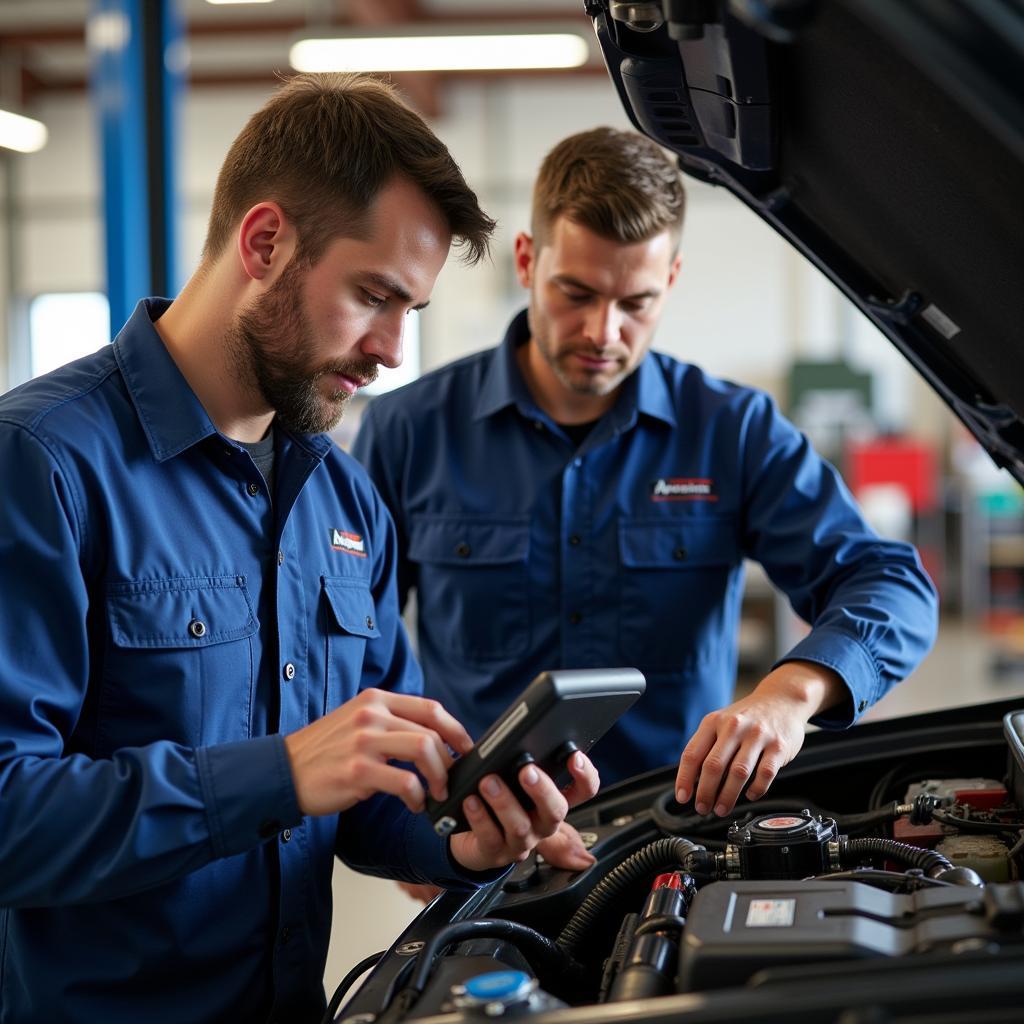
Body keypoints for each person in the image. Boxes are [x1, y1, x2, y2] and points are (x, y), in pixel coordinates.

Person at [0, 74, 598, 1024]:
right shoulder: (41, 463)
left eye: (413, 311)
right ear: (266, 242)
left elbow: (368, 791)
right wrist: (275, 774)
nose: (394, 349)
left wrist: (463, 840)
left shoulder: (342, 497)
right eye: (374, 296)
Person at [353, 126, 938, 829]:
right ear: (527, 260)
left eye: (636, 303)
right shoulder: (411, 429)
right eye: (577, 293)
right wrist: (400, 816)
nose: (604, 332)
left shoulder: (732, 430)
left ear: (672, 281)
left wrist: (791, 692)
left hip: (675, 836)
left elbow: (892, 584)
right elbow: (354, 645)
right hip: (479, 841)